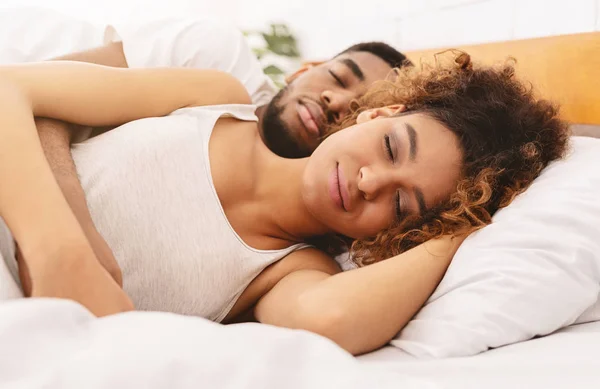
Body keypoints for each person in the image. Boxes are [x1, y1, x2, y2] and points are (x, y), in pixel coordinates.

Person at [0, 51, 568, 356]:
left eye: (401, 206)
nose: (371, 182)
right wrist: (60, 251)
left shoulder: (289, 270)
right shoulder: (213, 100)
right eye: (392, 147)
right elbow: (10, 88)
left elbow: (332, 318)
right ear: (376, 114)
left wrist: (463, 229)